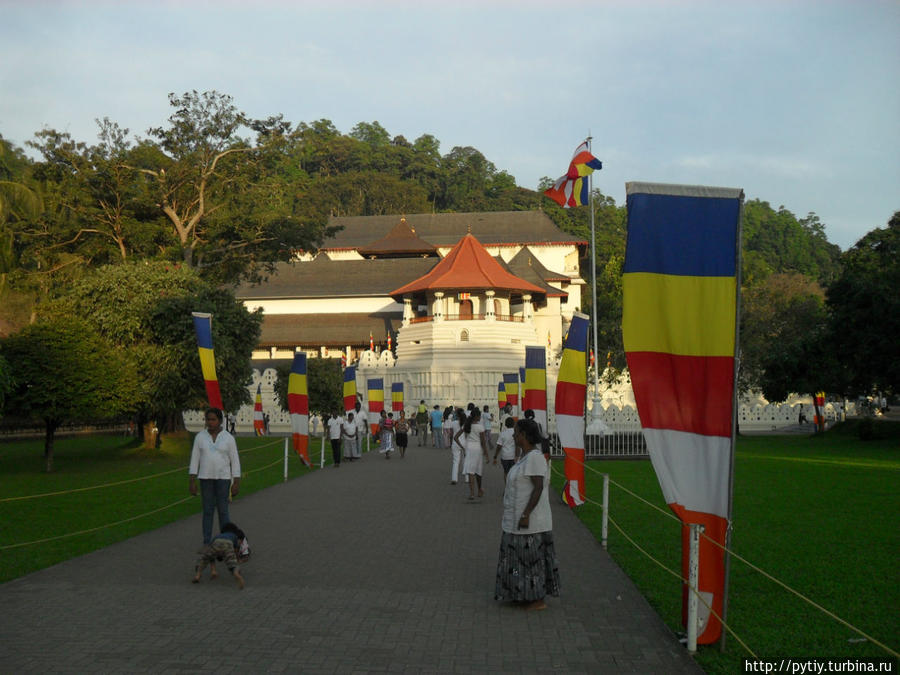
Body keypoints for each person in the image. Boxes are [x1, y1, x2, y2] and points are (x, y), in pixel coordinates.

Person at [495, 418, 560, 610]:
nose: (513, 435)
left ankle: (537, 599)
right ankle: (520, 593)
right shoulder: (525, 456)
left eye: (516, 432)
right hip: (515, 517)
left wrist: (526, 514)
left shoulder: (535, 457)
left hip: (530, 521)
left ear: (524, 435)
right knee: (516, 560)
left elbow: (538, 487)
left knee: (532, 561)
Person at [189, 408, 241, 545]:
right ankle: (207, 542)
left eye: (213, 419)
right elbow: (195, 459)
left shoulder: (228, 438)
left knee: (223, 511)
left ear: (220, 421)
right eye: (208, 420)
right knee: (207, 511)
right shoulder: (200, 437)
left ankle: (227, 540)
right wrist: (192, 481)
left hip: (223, 479)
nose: (210, 422)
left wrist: (236, 481)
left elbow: (235, 460)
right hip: (205, 479)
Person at [192, 522, 247, 589]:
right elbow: (235, 551)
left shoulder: (218, 535)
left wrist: (205, 553)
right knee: (232, 563)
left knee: (204, 559)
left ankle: (198, 575)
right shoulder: (234, 536)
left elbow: (209, 548)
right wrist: (237, 559)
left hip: (216, 542)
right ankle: (236, 573)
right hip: (228, 544)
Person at [456, 407, 490, 500]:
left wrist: (462, 446)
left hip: (469, 448)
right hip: (477, 449)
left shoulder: (466, 425)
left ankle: (472, 493)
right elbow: (483, 443)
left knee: (470, 471)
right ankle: (479, 489)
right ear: (477, 416)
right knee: (478, 471)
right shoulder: (480, 427)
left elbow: (456, 437)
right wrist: (486, 455)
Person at [448, 407, 465, 485]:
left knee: (455, 462)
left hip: (455, 443)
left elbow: (451, 434)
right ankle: (467, 478)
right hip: (464, 443)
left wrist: (450, 442)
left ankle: (454, 478)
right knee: (465, 461)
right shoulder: (465, 423)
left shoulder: (453, 423)